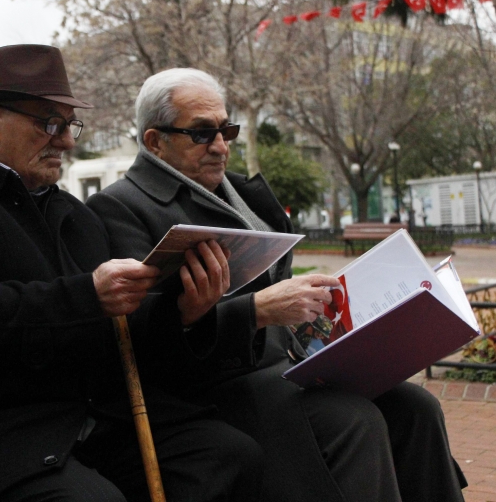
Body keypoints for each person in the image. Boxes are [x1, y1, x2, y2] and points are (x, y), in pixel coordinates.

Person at [0, 47, 265, 502]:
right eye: (49, 123)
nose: (67, 142)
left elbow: (117, 336)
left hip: (94, 422)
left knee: (227, 455)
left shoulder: (74, 214)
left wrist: (187, 314)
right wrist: (88, 295)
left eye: (69, 125)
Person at [86, 68, 468, 502]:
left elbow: (277, 284)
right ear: (155, 141)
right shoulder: (117, 207)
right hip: (208, 389)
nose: (220, 145)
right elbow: (138, 338)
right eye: (202, 133)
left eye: (226, 130)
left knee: (416, 408)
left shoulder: (239, 192)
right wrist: (253, 310)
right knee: (355, 420)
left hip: (290, 364)